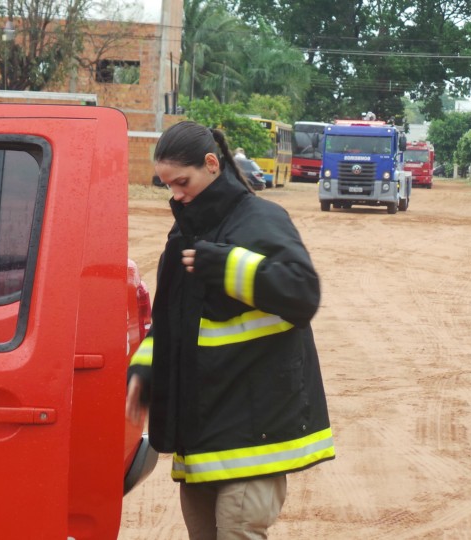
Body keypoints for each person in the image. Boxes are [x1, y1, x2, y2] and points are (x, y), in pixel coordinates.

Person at [126, 121, 335, 540]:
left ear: (210, 164)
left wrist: (227, 266)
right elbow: (171, 319)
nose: (176, 195)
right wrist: (147, 372)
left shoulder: (261, 219)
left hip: (254, 432)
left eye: (182, 182)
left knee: (239, 532)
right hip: (201, 432)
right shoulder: (183, 233)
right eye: (167, 185)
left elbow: (302, 293)